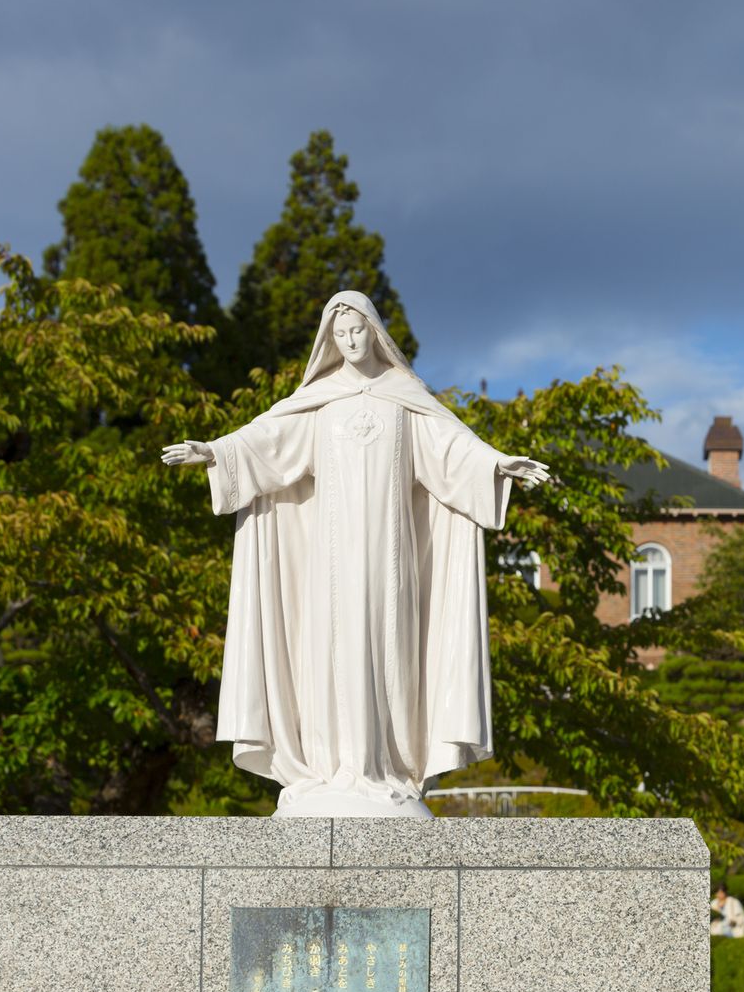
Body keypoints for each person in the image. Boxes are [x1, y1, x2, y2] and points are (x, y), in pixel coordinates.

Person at [161, 291, 550, 817]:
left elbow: (452, 450)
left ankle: (385, 766)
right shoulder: (319, 401)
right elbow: (265, 443)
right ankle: (329, 770)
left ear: (375, 331)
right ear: (329, 339)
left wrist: (500, 465)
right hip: (330, 557)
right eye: (339, 334)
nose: (348, 341)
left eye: (357, 331)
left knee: (389, 647)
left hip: (393, 556)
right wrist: (214, 451)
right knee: (327, 649)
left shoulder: (405, 398)